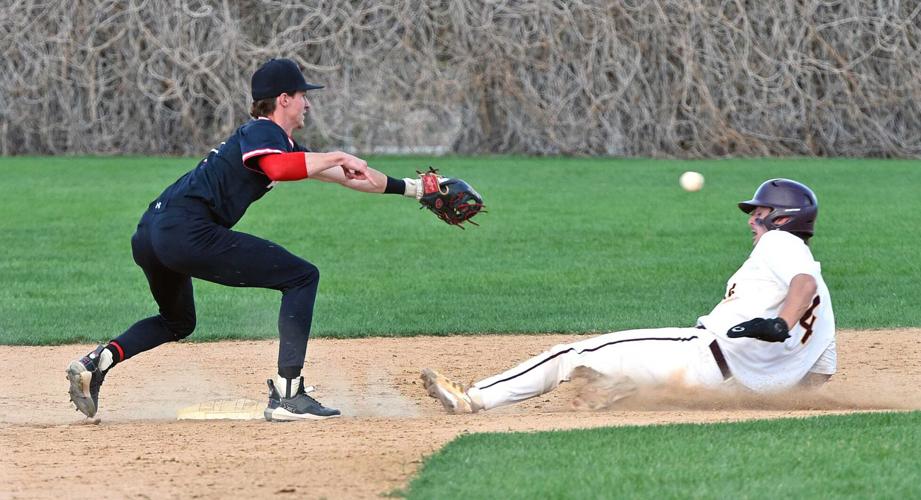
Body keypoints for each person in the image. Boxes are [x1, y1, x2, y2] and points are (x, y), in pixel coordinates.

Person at [67, 58, 435, 421]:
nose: (307, 102)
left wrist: (415, 190)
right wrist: (335, 154)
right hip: (185, 229)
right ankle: (288, 396)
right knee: (301, 277)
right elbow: (279, 168)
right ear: (283, 99)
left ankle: (99, 361)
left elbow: (347, 174)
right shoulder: (261, 132)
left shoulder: (279, 143)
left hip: (153, 231)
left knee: (178, 321)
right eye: (302, 95)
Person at [422, 179, 836, 413]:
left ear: (783, 218)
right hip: (726, 389)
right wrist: (763, 378)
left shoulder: (781, 244)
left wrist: (779, 324)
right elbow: (820, 374)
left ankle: (472, 399)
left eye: (759, 212)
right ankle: (622, 388)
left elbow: (803, 284)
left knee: (569, 356)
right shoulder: (825, 313)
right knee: (624, 380)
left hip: (699, 356)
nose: (752, 219)